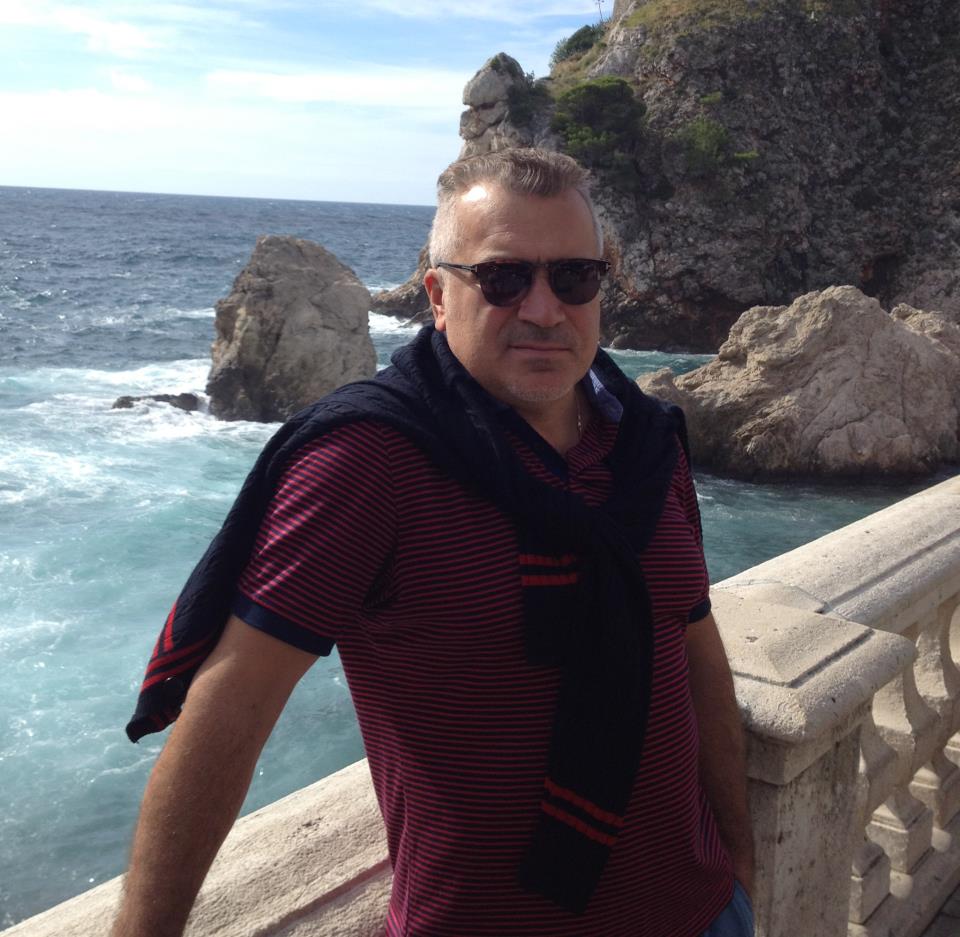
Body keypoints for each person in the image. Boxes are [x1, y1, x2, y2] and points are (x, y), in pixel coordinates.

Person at [113, 148, 755, 937]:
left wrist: (741, 865)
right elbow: (229, 710)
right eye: (503, 278)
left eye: (574, 277)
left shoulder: (648, 446)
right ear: (438, 297)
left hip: (705, 914)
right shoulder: (369, 460)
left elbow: (694, 647)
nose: (544, 309)